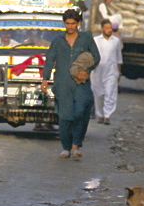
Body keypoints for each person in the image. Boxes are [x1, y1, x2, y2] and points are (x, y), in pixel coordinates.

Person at [41, 9, 100, 158]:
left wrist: (87, 71)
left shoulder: (86, 38)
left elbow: (96, 57)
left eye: (73, 23)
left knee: (81, 112)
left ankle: (77, 144)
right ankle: (66, 147)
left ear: (78, 23)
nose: (70, 26)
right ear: (64, 23)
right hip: (62, 83)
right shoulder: (58, 41)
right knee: (65, 116)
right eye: (67, 23)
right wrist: (45, 79)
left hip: (81, 83)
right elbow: (49, 60)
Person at [91, 19, 123, 125]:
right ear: (102, 29)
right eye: (107, 28)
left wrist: (119, 72)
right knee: (98, 94)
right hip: (97, 72)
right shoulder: (96, 40)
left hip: (111, 72)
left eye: (110, 28)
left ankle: (107, 116)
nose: (109, 30)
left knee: (110, 93)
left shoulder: (116, 41)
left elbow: (119, 57)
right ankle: (100, 115)